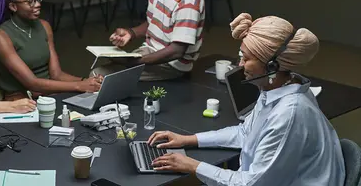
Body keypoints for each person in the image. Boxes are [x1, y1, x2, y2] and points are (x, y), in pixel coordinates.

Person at [147, 13, 345, 186]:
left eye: (246, 58)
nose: (240, 65)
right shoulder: (277, 87)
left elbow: (250, 184)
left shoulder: (289, 114)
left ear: (272, 67)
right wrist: (188, 140)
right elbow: (245, 133)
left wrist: (192, 166)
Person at [0, 0, 102, 101]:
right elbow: (32, 83)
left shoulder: (44, 26)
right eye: (30, 1)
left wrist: (88, 82)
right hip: (22, 101)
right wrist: (79, 85)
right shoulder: (1, 37)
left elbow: (56, 74)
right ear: (13, 6)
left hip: (49, 95)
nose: (37, 4)